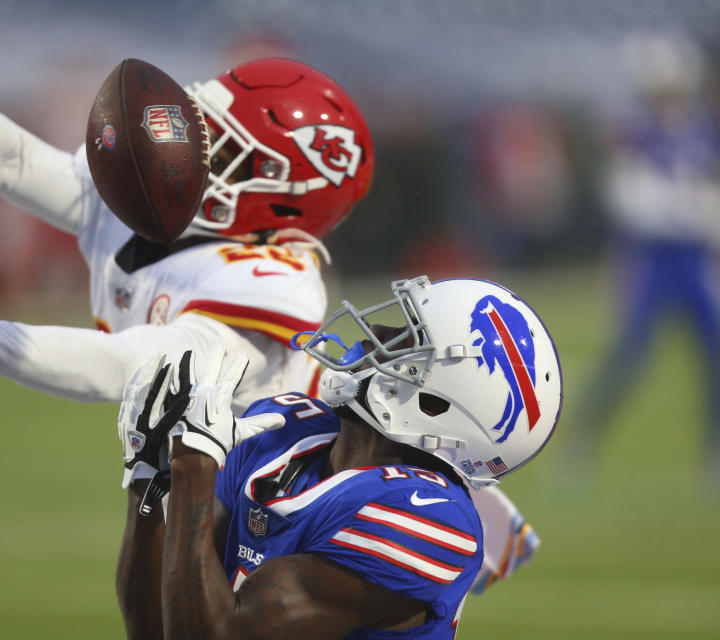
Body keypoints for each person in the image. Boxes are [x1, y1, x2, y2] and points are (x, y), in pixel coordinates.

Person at [0, 8, 537, 594]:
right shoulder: (162, 204)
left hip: (281, 480)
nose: (191, 142)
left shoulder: (272, 281)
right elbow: (21, 163)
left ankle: (474, 536)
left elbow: (123, 366)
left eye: (219, 146)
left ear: (274, 190)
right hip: (195, 457)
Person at [115, 276, 563, 639]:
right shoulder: (284, 430)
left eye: (409, 341)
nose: (380, 336)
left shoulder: (435, 521)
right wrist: (149, 478)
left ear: (440, 403)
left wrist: (194, 465)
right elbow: (160, 623)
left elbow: (219, 633)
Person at [576, 33, 720, 475]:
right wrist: (684, 209)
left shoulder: (702, 129)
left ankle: (712, 452)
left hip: (694, 259)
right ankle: (583, 439)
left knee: (714, 352)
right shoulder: (635, 132)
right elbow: (628, 200)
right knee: (631, 354)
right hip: (654, 258)